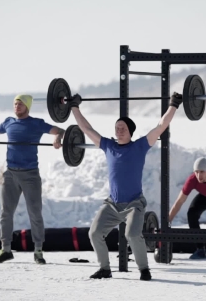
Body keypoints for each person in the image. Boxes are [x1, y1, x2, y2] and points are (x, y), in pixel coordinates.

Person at [68, 91, 183, 281]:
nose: (118, 131)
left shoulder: (140, 146)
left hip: (134, 204)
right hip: (112, 204)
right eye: (116, 128)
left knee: (132, 234)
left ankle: (144, 269)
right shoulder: (108, 146)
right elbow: (86, 129)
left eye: (122, 128)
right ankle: (105, 268)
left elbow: (161, 126)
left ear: (130, 131)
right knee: (94, 233)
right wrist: (74, 107)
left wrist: (173, 105)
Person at [0, 94, 65, 265]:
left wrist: (57, 138)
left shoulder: (37, 123)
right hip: (10, 174)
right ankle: (6, 249)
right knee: (5, 213)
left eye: (20, 104)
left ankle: (38, 250)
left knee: (35, 213)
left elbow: (60, 130)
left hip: (30, 175)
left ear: (27, 106)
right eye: (15, 104)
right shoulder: (9, 122)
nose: (16, 107)